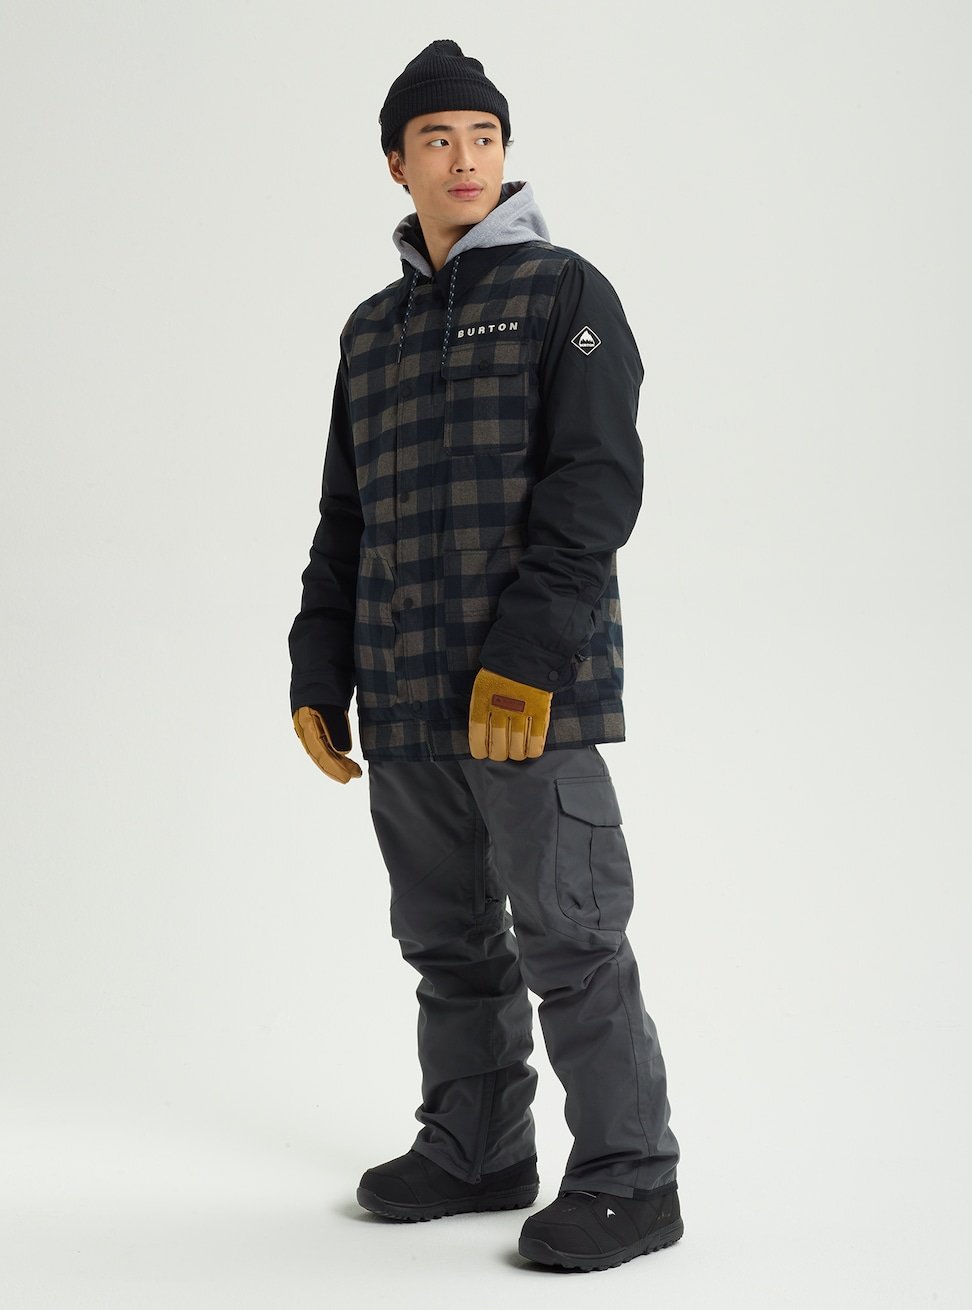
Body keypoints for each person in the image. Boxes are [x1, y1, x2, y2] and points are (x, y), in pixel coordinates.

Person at [288, 38, 683, 1273]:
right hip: (407, 698)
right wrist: (318, 668)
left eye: (485, 137)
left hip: (528, 697)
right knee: (447, 937)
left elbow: (595, 484)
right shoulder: (372, 330)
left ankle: (631, 1174)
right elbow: (344, 517)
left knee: (570, 933)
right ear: (396, 162)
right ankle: (476, 1143)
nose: (466, 159)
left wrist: (529, 656)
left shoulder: (565, 292)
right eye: (439, 139)